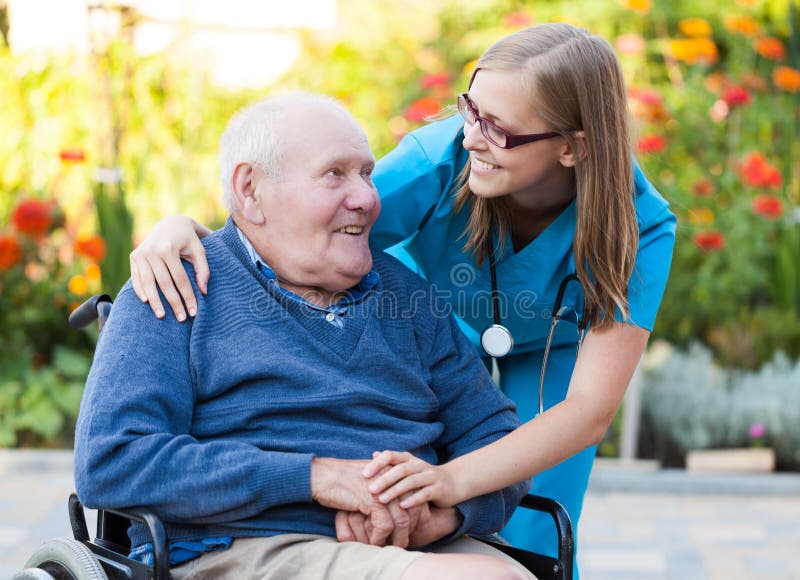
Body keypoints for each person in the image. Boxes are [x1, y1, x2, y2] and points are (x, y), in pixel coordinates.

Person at [127, 23, 676, 576]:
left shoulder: (640, 227)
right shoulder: (437, 163)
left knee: (535, 539)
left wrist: (450, 490)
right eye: (469, 109)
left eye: (499, 130)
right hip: (427, 320)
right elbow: (290, 226)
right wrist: (182, 227)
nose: (470, 138)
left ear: (570, 146)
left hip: (551, 350)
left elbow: (585, 412)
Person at [74, 93, 535, 580]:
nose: (366, 197)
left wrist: (444, 513)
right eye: (335, 173)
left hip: (415, 546)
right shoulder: (175, 288)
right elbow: (113, 458)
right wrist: (318, 477)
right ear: (250, 190)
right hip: (246, 546)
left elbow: (498, 440)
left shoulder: (407, 296)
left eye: (366, 173)